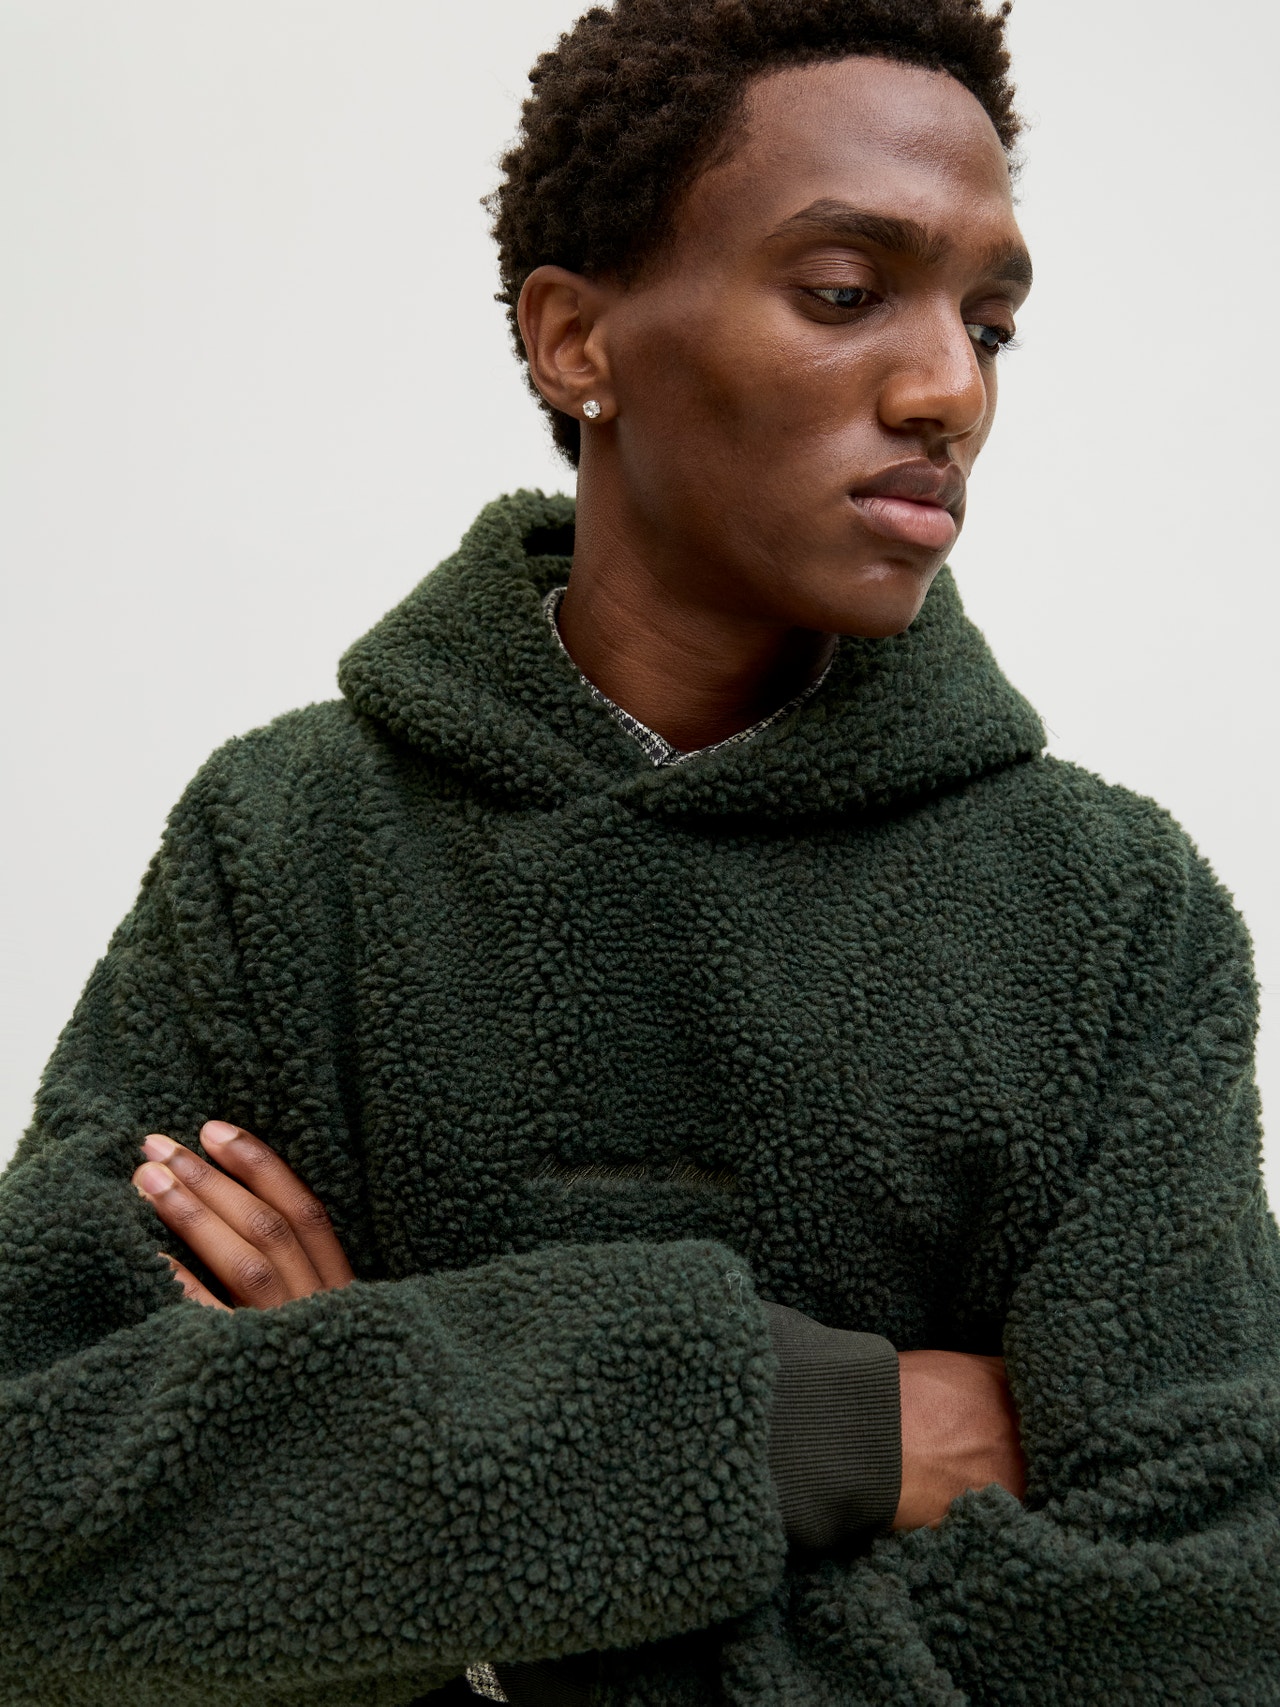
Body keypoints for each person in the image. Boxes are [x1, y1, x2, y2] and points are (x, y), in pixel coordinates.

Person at [3, 0, 1277, 1702]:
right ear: (574, 342)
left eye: (990, 324)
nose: (949, 389)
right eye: (848, 292)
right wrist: (808, 1424)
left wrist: (389, 1500)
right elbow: (36, 1515)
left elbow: (1204, 1617)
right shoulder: (286, 847)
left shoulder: (1109, 914)